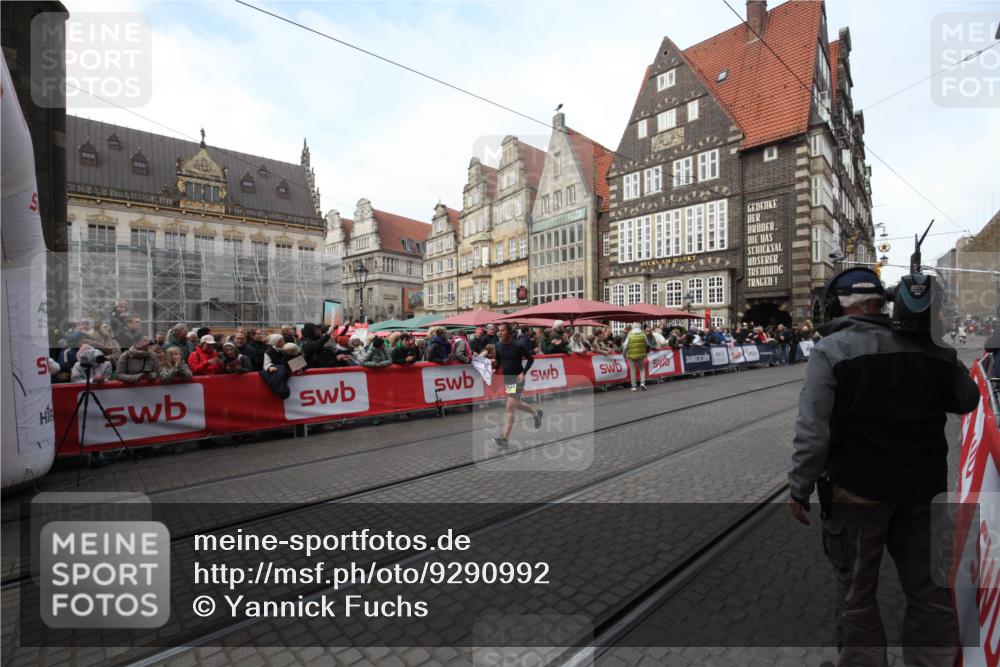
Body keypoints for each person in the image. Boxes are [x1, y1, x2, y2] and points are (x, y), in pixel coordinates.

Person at [788, 268, 980, 667]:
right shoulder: (928, 348)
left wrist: (799, 486)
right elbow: (967, 400)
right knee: (929, 591)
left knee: (857, 595)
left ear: (836, 305)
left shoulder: (831, 350)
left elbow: (813, 430)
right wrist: (938, 344)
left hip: (857, 492)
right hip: (923, 491)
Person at [492, 322, 542, 447]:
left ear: (509, 331)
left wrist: (523, 373)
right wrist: (494, 368)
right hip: (508, 379)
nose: (500, 333)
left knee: (510, 407)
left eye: (502, 330)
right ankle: (536, 414)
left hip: (518, 379)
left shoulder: (518, 345)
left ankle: (505, 437)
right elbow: (499, 361)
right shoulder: (498, 345)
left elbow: (531, 359)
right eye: (499, 330)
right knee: (516, 404)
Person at [624, 325, 649, 391]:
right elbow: (647, 344)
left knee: (632, 370)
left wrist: (624, 354)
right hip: (641, 355)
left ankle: (634, 386)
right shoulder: (643, 335)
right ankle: (642, 383)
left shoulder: (630, 335)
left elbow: (625, 345)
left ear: (633, 328)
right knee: (642, 369)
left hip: (631, 355)